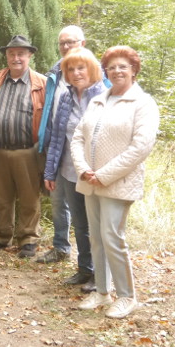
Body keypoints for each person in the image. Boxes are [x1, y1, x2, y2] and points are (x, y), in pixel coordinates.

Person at [72, 46, 159, 319]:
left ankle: (126, 296)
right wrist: (84, 168)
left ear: (134, 70)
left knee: (112, 237)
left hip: (117, 183)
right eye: (112, 67)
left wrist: (104, 174)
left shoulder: (143, 104)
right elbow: (78, 137)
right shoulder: (98, 100)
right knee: (95, 237)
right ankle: (102, 291)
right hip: (90, 181)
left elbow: (141, 147)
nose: (117, 71)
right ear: (106, 72)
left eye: (123, 66)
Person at [43, 48, 106, 290]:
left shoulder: (103, 96)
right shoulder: (67, 97)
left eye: (81, 68)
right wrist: (51, 171)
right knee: (80, 224)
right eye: (71, 69)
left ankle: (101, 274)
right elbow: (58, 137)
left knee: (97, 225)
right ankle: (84, 269)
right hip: (70, 171)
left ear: (92, 69)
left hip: (96, 174)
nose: (76, 73)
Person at [0, 35, 47, 258]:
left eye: (21, 53)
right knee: (1, 196)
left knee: (29, 196)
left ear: (29, 55)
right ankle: (2, 235)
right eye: (12, 53)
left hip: (27, 151)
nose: (16, 57)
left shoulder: (41, 83)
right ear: (6, 56)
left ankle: (28, 237)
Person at [36, 25, 86, 265]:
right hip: (57, 145)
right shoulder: (55, 72)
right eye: (62, 43)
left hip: (85, 152)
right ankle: (60, 247)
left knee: (84, 209)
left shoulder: (94, 72)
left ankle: (89, 261)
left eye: (71, 42)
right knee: (58, 201)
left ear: (82, 44)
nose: (66, 47)